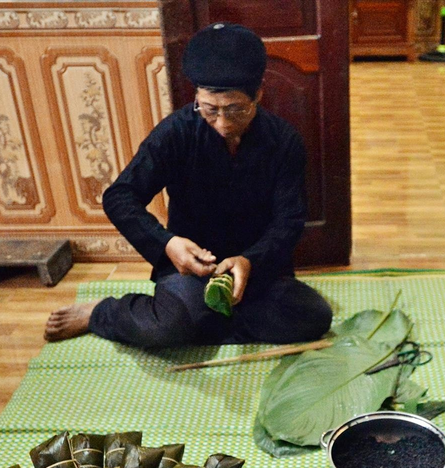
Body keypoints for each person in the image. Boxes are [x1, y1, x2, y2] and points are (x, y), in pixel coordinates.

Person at [45, 22, 332, 346]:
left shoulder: (284, 141)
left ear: (258, 95)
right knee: (165, 327)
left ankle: (191, 321)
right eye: (210, 109)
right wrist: (167, 244)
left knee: (313, 316)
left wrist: (250, 260)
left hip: (255, 270)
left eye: (236, 109)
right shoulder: (176, 133)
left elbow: (288, 221)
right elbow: (120, 196)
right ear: (197, 97)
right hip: (191, 270)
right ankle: (103, 312)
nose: (222, 123)